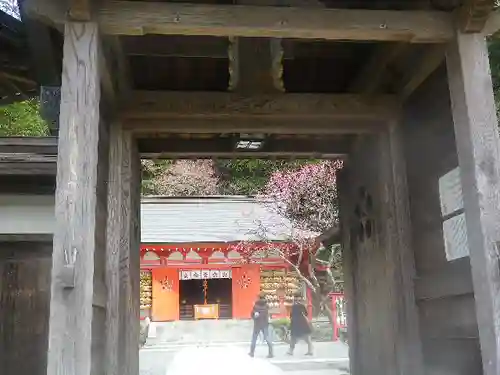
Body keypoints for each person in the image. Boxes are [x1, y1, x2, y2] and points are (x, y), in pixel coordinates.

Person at [249, 293, 274, 358]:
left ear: (259, 298)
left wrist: (254, 316)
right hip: (265, 324)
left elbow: (252, 314)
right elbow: (267, 314)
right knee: (267, 338)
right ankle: (271, 353)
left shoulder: (256, 306)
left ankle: (252, 352)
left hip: (257, 324)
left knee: (254, 338)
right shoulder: (266, 305)